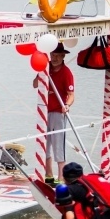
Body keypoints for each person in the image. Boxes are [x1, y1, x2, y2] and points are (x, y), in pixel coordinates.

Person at [32, 42, 74, 184]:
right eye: (53, 55)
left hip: (57, 112)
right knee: (44, 144)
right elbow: (35, 84)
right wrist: (41, 72)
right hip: (44, 111)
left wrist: (67, 105)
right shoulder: (46, 68)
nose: (55, 58)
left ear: (63, 56)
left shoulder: (66, 72)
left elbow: (71, 94)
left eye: (58, 56)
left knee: (58, 145)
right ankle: (48, 174)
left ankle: (61, 177)